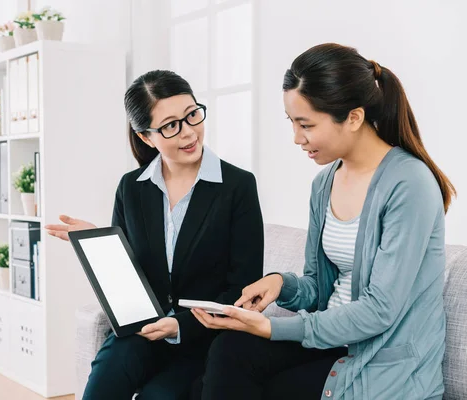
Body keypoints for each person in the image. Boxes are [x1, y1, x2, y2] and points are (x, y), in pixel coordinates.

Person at [191, 43, 455, 400]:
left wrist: (271, 327)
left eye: (306, 125)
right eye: (293, 123)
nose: (297, 139)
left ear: (354, 118)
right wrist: (278, 284)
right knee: (227, 351)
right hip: (332, 341)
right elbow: (319, 286)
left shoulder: (410, 184)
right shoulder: (324, 183)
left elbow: (380, 310)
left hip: (381, 363)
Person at [44, 70, 264, 400]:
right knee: (101, 386)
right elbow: (127, 279)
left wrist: (182, 325)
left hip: (204, 337)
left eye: (192, 115)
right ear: (147, 137)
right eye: (171, 126)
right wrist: (102, 243)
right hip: (142, 332)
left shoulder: (237, 186)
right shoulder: (131, 188)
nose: (189, 132)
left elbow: (244, 287)